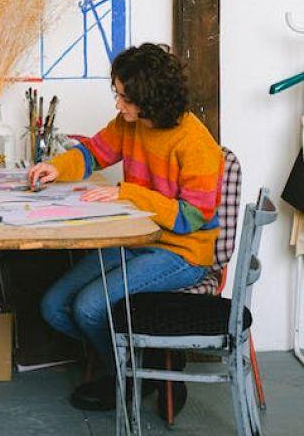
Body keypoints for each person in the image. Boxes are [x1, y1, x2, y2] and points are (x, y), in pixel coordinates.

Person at [28, 43, 223, 416]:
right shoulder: (128, 124)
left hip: (182, 252)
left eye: (124, 96)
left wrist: (129, 194)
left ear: (149, 99)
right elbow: (91, 153)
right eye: (117, 93)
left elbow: (192, 219)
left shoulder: (195, 142)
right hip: (135, 240)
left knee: (89, 307)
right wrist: (57, 167)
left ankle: (127, 375)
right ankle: (144, 362)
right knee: (53, 306)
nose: (118, 104)